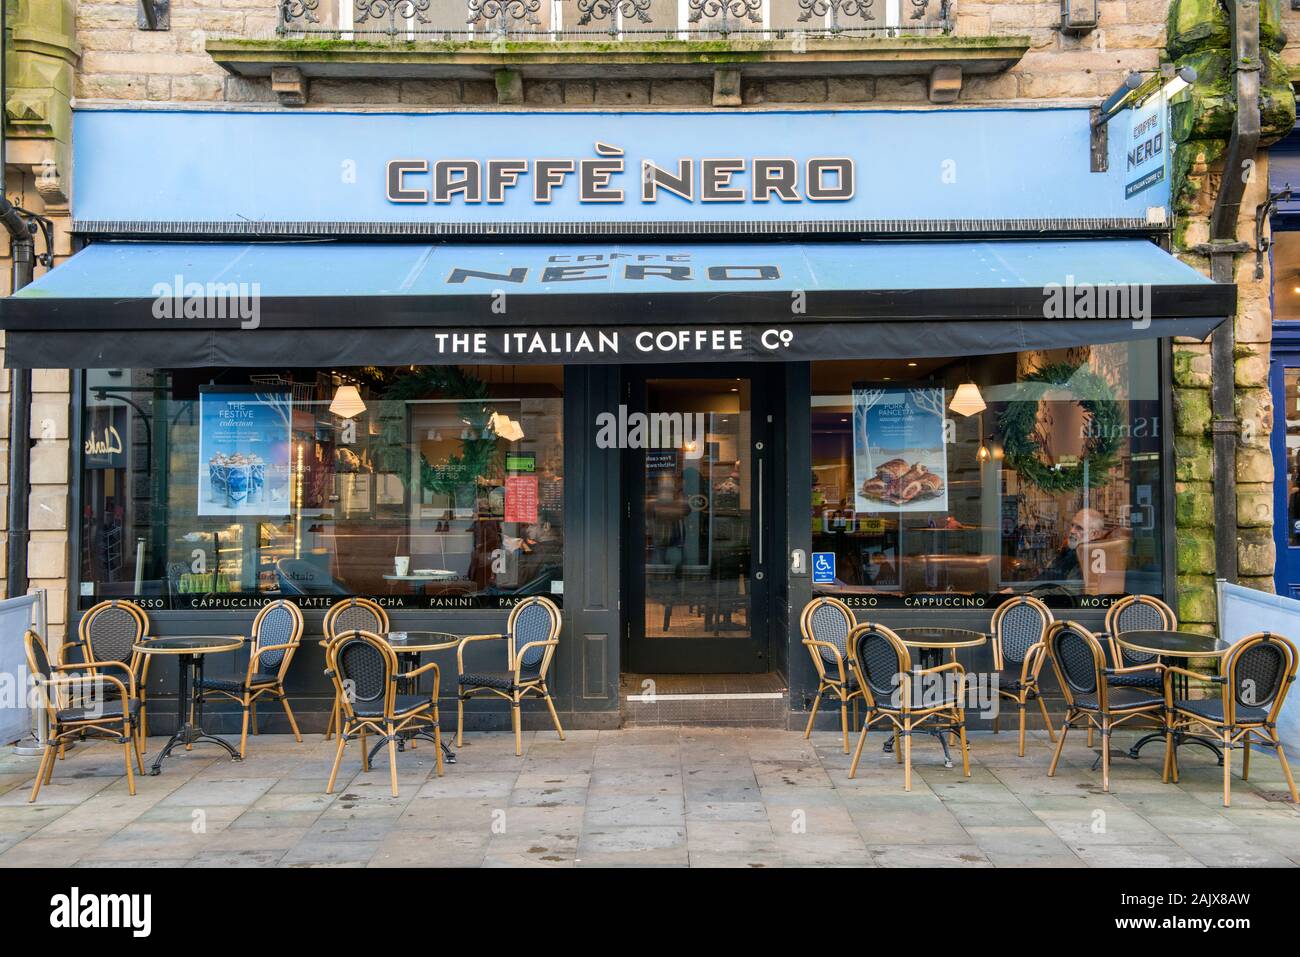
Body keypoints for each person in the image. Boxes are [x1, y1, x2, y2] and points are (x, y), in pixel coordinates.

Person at [1039, 508, 1107, 581]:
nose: (1072, 531)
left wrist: (1032, 592)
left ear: (1094, 534)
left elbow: (1068, 590)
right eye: (1072, 525)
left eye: (1079, 528)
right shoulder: (1071, 551)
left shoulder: (1090, 558)